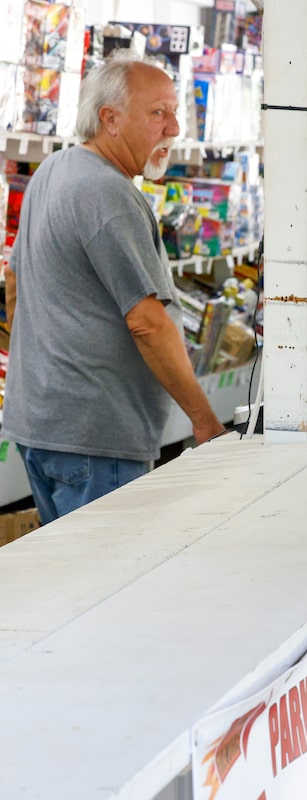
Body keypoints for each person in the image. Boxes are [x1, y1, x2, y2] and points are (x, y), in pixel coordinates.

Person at [2, 51, 224, 524]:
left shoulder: (53, 170)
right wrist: (204, 421)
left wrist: (43, 362)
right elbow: (147, 322)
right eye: (158, 112)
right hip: (96, 441)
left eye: (175, 111)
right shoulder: (110, 194)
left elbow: (14, 277)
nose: (175, 128)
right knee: (110, 589)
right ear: (111, 120)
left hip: (41, 426)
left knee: (71, 584)